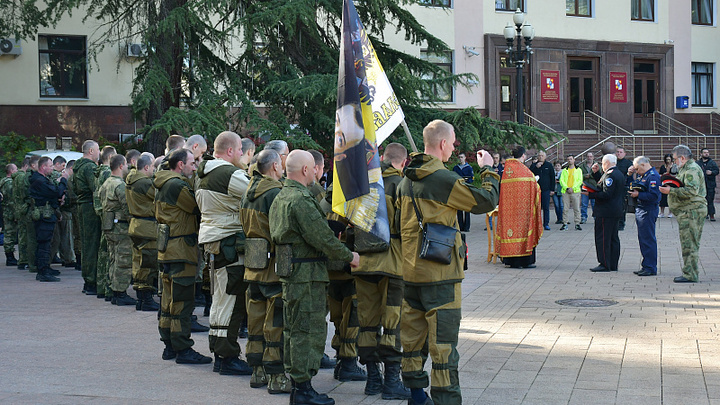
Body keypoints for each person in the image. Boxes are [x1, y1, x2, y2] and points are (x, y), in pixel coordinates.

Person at [396, 120, 499, 405]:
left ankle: (417, 397)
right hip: (440, 273)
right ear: (443, 144)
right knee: (443, 346)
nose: (454, 149)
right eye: (453, 143)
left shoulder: (406, 179)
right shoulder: (441, 178)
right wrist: (488, 169)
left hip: (411, 272)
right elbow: (485, 201)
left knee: (413, 340)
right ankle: (446, 400)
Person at [269, 150, 360, 405]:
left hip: (295, 273)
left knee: (295, 328)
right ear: (307, 170)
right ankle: (303, 388)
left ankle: (300, 386)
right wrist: (349, 256)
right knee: (306, 330)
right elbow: (321, 237)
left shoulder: (282, 195)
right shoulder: (300, 199)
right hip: (305, 276)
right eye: (313, 169)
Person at [353, 142, 411, 400]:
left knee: (366, 323)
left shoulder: (360, 183)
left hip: (362, 264)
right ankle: (391, 382)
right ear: (403, 161)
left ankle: (372, 380)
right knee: (392, 323)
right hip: (392, 264)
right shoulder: (401, 185)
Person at [195, 131, 254, 376]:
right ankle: (227, 355)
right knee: (232, 299)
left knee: (221, 299)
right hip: (229, 242)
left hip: (214, 241)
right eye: (240, 149)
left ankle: (221, 353)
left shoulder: (204, 173)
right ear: (230, 150)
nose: (243, 154)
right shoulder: (227, 173)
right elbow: (256, 194)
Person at [240, 148, 292, 394]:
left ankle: (257, 371)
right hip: (272, 268)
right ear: (273, 167)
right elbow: (281, 231)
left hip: (253, 265)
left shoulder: (247, 192)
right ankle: (276, 376)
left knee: (255, 321)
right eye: (281, 164)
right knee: (275, 323)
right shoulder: (275, 193)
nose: (283, 168)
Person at [154, 148, 211, 364]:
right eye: (192, 163)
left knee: (168, 302)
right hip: (180, 250)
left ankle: (169, 345)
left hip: (168, 249)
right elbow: (197, 207)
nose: (194, 167)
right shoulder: (176, 185)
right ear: (180, 165)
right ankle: (182, 348)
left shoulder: (162, 182)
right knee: (182, 302)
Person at [659, 145, 707, 283]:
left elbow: (691, 191)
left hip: (692, 211)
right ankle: (689, 272)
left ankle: (690, 274)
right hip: (688, 211)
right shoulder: (686, 168)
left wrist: (671, 191)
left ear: (682, 158)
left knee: (689, 243)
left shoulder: (691, 169)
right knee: (688, 242)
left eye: (675, 159)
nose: (673, 162)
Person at [99, 155, 136, 305]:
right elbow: (127, 207)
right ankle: (120, 292)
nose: (127, 168)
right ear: (121, 166)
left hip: (109, 225)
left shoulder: (106, 183)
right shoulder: (119, 185)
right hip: (120, 226)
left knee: (113, 258)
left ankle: (113, 290)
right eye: (126, 165)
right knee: (123, 259)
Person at [498, 146, 543, 269]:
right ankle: (524, 261)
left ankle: (511, 261)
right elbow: (534, 187)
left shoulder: (506, 170)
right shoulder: (524, 170)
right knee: (522, 232)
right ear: (523, 156)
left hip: (508, 211)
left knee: (510, 232)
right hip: (522, 211)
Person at [125, 154, 160, 311]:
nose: (154, 170)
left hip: (136, 224)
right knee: (148, 263)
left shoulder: (131, 179)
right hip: (147, 227)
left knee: (138, 262)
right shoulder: (144, 182)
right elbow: (159, 196)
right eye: (153, 167)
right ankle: (146, 299)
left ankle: (141, 298)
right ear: (146, 167)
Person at [29, 157, 69, 282]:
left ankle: (45, 267)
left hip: (47, 214)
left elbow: (53, 195)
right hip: (43, 216)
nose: (52, 168)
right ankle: (42, 271)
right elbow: (55, 192)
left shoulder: (41, 180)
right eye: (50, 166)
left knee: (47, 242)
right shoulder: (39, 181)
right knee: (44, 243)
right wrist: (63, 180)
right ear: (43, 167)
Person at [586, 154, 625, 272]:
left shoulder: (611, 175)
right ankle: (612, 264)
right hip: (614, 210)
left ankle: (604, 263)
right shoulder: (617, 173)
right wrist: (596, 174)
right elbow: (604, 185)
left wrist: (590, 194)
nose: (602, 166)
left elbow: (607, 193)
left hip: (606, 211)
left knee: (603, 238)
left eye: (603, 164)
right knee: (613, 238)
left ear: (607, 163)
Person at [73, 140, 101, 294]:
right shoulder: (89, 167)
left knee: (86, 243)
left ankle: (88, 279)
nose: (99, 153)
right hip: (90, 206)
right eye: (97, 150)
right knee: (92, 244)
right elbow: (96, 187)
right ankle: (91, 280)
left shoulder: (77, 166)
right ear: (91, 151)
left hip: (82, 205)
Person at [628, 157, 661, 276]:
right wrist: (630, 175)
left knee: (648, 239)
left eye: (637, 169)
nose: (636, 171)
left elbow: (654, 196)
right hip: (642, 210)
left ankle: (650, 267)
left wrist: (638, 194)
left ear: (643, 165)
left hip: (648, 210)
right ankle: (646, 264)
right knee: (643, 239)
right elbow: (636, 185)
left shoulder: (652, 176)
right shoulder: (644, 175)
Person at [94, 146, 118, 301]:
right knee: (109, 253)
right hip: (109, 215)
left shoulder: (98, 173)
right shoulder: (108, 173)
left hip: (102, 213)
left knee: (103, 252)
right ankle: (107, 286)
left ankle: (101, 285)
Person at [15, 156, 40, 273]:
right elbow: (28, 195)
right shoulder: (29, 177)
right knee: (30, 238)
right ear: (33, 165)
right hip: (29, 209)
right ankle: (30, 262)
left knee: (26, 236)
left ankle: (26, 261)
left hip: (24, 209)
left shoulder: (23, 177)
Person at [530, 150, 555, 231]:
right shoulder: (534, 165)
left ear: (545, 157)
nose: (540, 157)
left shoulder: (549, 165)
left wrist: (552, 189)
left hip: (546, 190)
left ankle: (546, 223)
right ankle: (537, 224)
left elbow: (552, 178)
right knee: (536, 207)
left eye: (542, 156)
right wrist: (536, 167)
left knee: (546, 207)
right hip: (536, 190)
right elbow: (530, 174)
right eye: (539, 156)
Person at [559, 155, 583, 231]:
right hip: (566, 191)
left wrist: (573, 188)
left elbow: (580, 180)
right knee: (565, 208)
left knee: (576, 208)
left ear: (574, 160)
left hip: (575, 191)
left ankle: (577, 223)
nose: (569, 160)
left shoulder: (578, 170)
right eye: (568, 159)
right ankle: (565, 223)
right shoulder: (564, 170)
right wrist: (566, 188)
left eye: (571, 159)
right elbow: (561, 180)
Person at [1, 163, 18, 266]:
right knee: (10, 233)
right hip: (10, 212)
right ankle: (10, 256)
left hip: (6, 211)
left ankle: (10, 255)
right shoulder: (9, 183)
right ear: (11, 171)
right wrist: (16, 213)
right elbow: (12, 200)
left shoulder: (3, 181)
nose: (17, 170)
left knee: (8, 232)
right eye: (16, 169)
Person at [452, 153, 474, 232]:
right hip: (458, 189)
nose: (460, 159)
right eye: (459, 157)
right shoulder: (456, 168)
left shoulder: (469, 168)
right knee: (459, 209)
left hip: (466, 189)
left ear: (465, 158)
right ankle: (460, 226)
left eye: (462, 157)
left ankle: (467, 227)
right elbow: (453, 177)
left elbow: (472, 178)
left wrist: (467, 181)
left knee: (467, 209)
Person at [698, 148, 718, 221]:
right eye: (705, 152)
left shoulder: (712, 163)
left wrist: (712, 172)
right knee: (702, 200)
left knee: (710, 200)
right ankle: (704, 214)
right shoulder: (698, 163)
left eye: (707, 152)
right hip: (701, 185)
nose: (706, 154)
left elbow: (717, 171)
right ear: (701, 154)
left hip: (710, 184)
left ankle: (711, 215)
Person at [615, 147, 633, 231]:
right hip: (614, 187)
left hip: (623, 187)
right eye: (617, 152)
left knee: (622, 206)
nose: (619, 153)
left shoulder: (628, 163)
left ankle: (621, 223)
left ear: (624, 154)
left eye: (620, 152)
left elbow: (630, 176)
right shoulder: (613, 162)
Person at [579, 152, 597, 224]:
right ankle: (583, 217)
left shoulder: (597, 165)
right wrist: (584, 176)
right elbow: (579, 175)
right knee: (584, 203)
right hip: (585, 186)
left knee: (594, 203)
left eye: (591, 156)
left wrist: (590, 176)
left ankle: (596, 216)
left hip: (594, 187)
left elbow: (599, 174)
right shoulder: (582, 166)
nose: (589, 158)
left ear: (593, 157)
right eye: (588, 156)